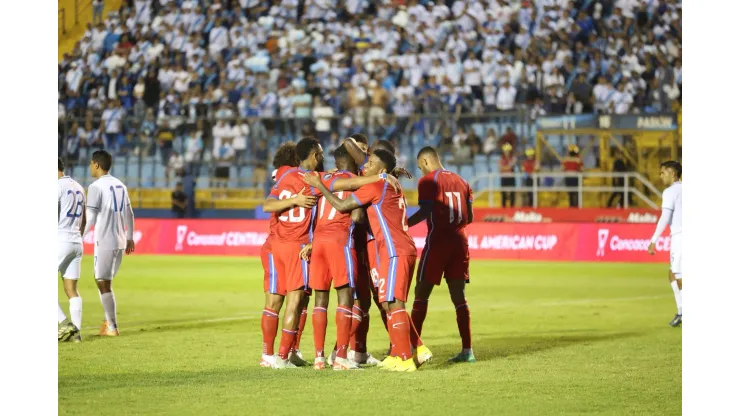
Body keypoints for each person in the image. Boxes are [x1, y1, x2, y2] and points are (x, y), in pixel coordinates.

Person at [304, 149, 421, 372]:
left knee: (323, 300)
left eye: (370, 162)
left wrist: (319, 184)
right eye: (364, 161)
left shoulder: (328, 178)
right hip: (359, 245)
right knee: (364, 300)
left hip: (324, 241)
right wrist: (385, 174)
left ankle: (321, 357)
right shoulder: (374, 182)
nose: (365, 165)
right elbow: (354, 213)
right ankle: (353, 356)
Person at [407, 147, 475, 363]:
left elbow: (425, 212)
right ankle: (467, 351)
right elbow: (470, 217)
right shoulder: (463, 182)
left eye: (420, 167)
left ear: (426, 161)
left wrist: (403, 224)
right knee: (459, 297)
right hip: (460, 241)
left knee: (421, 292)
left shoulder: (428, 181)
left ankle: (411, 350)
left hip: (439, 242)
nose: (420, 172)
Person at [259, 142, 315, 368]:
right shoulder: (298, 176)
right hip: (291, 244)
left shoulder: (280, 175)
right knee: (297, 300)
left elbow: (268, 203)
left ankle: (270, 355)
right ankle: (286, 352)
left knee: (276, 302)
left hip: (274, 245)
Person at [82, 150, 136, 336]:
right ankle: (108, 321)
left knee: (103, 283)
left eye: (91, 163)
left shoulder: (96, 187)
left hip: (105, 240)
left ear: (96, 164)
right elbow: (130, 213)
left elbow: (90, 217)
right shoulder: (120, 185)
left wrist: (79, 237)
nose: (90, 167)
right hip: (121, 241)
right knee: (104, 281)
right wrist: (130, 237)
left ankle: (112, 326)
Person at [647, 161, 682, 327]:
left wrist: (653, 240)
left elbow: (665, 217)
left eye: (663, 173)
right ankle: (681, 311)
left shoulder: (670, 191)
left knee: (679, 276)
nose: (661, 176)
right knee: (672, 273)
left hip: (681, 237)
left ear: (673, 174)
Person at [58, 158, 86, 343]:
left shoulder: (56, 187)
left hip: (60, 239)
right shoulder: (79, 187)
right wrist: (78, 236)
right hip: (77, 241)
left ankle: (64, 322)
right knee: (71, 290)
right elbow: (84, 219)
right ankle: (76, 333)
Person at [499, 143, 517, 207]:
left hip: (511, 177)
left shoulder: (513, 158)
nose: (507, 152)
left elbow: (509, 167)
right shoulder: (501, 159)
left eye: (508, 151)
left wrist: (505, 168)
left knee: (512, 193)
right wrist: (506, 168)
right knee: (503, 193)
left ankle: (512, 207)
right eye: (505, 151)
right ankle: (503, 207)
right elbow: (500, 168)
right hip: (504, 177)